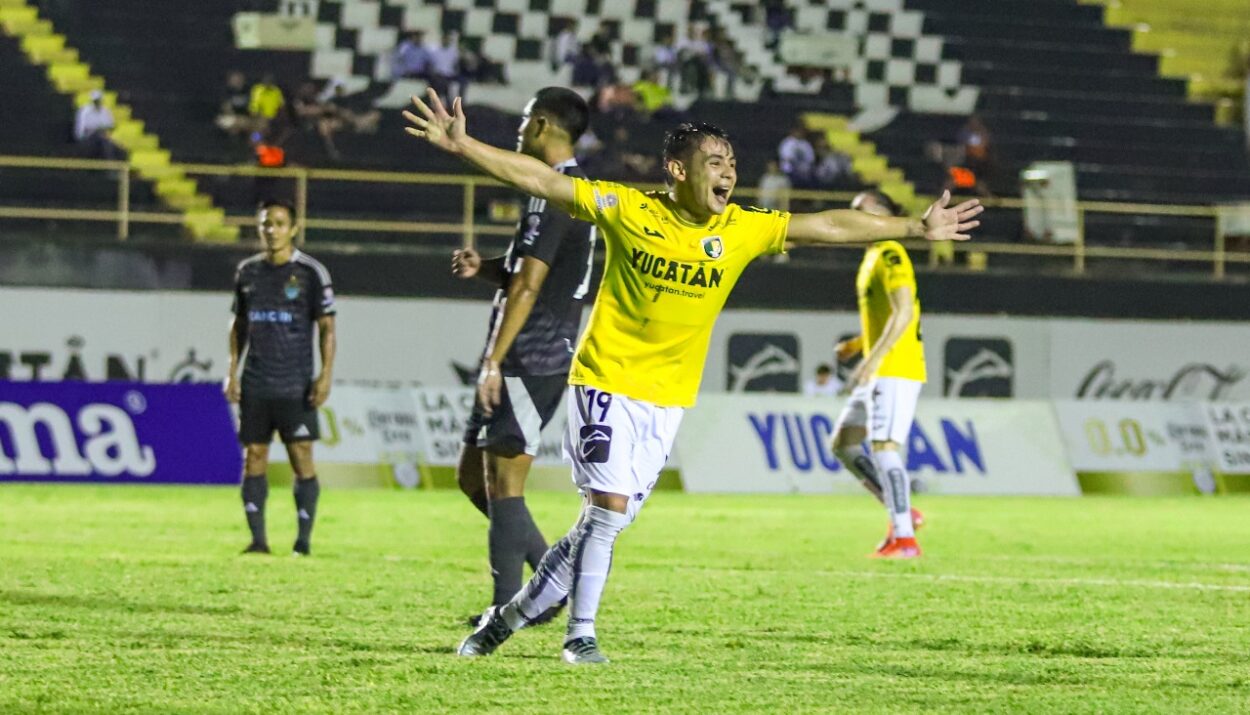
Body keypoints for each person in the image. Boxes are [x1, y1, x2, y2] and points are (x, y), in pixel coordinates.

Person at [401, 89, 980, 663]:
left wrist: (914, 226)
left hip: (669, 399)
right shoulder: (631, 208)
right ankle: (580, 634)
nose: (728, 172)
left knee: (600, 525)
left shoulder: (741, 228)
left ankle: (506, 620)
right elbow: (544, 182)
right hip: (605, 380)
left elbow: (826, 225)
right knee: (606, 507)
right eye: (715, 162)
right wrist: (463, 146)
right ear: (678, 169)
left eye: (731, 163)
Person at [452, 87, 597, 624]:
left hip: (531, 357)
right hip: (526, 353)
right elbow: (526, 271)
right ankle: (549, 586)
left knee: (503, 485)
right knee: (473, 478)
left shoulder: (555, 193)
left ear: (540, 125)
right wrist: (485, 267)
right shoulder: (568, 192)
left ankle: (509, 607)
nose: (517, 130)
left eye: (521, 121)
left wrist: (494, 359)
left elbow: (531, 286)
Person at [226, 200, 337, 557]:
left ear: (293, 228)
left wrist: (325, 375)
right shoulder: (247, 272)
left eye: (278, 223)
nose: (271, 230)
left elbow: (327, 327)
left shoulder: (310, 272)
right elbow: (239, 325)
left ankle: (303, 542)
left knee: (301, 457)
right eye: (265, 224)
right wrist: (232, 371)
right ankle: (258, 541)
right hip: (257, 382)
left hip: (296, 383)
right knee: (253, 456)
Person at [829, 190, 927, 559]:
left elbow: (904, 313)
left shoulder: (890, 251)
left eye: (862, 211)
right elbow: (895, 315)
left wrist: (873, 359)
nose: (853, 217)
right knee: (843, 443)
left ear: (885, 216)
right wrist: (858, 344)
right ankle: (902, 511)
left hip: (894, 368)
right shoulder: (872, 256)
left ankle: (904, 539)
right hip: (879, 364)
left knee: (885, 448)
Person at [74, 90, 118, 159]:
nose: (97, 103)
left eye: (98, 101)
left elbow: (110, 125)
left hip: (102, 136)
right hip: (86, 136)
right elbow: (84, 129)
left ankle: (110, 165)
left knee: (109, 142)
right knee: (101, 140)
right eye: (96, 101)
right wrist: (98, 129)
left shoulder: (105, 111)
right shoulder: (85, 111)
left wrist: (101, 129)